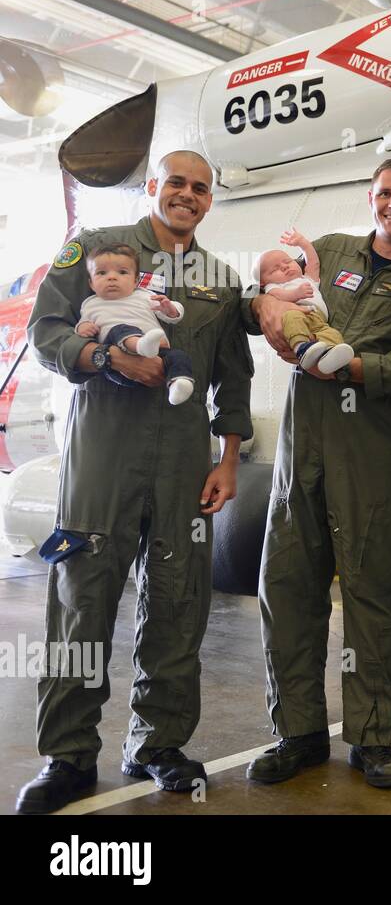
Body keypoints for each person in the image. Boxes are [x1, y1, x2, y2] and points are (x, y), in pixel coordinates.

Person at [17, 150, 253, 814]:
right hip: (103, 455)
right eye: (175, 183)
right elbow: (47, 331)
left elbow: (234, 377)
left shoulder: (220, 280)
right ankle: (67, 756)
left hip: (185, 460)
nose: (186, 195)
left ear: (210, 199)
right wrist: (103, 355)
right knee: (83, 600)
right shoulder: (95, 249)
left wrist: (229, 457)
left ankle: (158, 744)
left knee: (179, 604)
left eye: (199, 187)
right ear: (154, 187)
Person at [243, 157, 391, 790]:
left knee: (371, 595)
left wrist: (350, 367)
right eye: (385, 193)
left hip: (368, 447)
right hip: (301, 443)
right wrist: (262, 304)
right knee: (287, 586)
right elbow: (265, 292)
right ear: (372, 197)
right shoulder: (328, 251)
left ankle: (371, 738)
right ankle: (298, 733)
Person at [74, 243, 196, 405]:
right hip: (119, 364)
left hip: (158, 352)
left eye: (122, 272)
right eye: (101, 273)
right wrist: (83, 328)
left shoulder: (145, 296)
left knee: (179, 357)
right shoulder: (91, 304)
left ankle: (178, 384)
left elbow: (174, 315)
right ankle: (140, 344)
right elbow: (82, 324)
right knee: (119, 329)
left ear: (135, 280)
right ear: (91, 283)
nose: (112, 277)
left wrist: (170, 309)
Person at [255, 227, 355, 375]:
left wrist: (303, 244)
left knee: (331, 333)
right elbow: (281, 296)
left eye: (287, 261)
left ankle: (330, 355)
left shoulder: (307, 279)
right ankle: (302, 348)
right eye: (275, 269)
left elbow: (313, 263)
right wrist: (296, 293)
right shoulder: (272, 287)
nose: (284, 267)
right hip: (296, 314)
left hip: (318, 319)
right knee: (292, 318)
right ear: (263, 282)